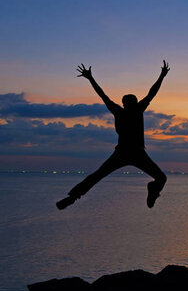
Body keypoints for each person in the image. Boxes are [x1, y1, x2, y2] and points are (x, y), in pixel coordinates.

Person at [56, 61, 170, 210]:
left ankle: (73, 197)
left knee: (97, 175)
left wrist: (90, 78)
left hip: (125, 152)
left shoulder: (120, 110)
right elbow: (151, 93)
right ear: (131, 103)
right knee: (161, 178)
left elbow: (103, 95)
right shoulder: (137, 109)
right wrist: (162, 76)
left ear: (124, 103)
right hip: (133, 152)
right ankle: (153, 189)